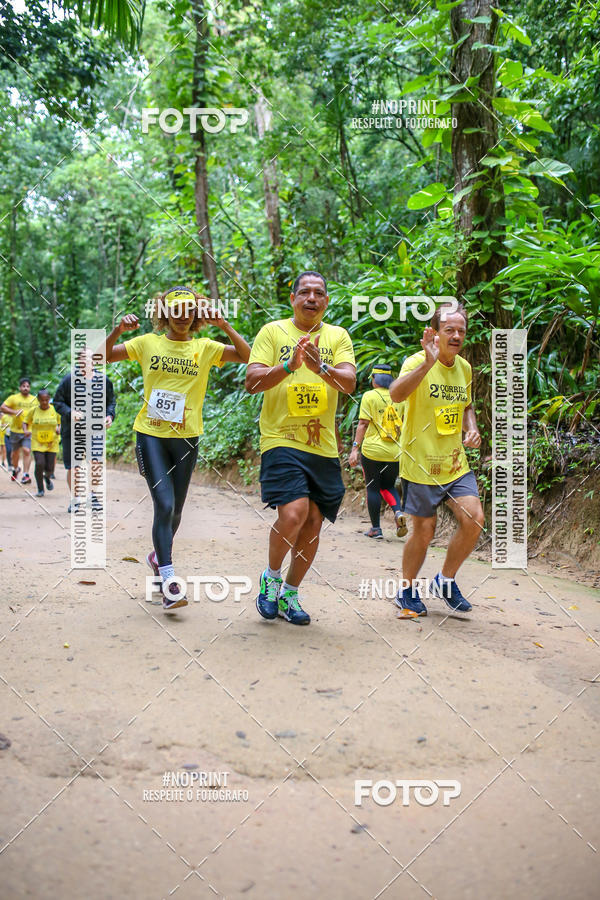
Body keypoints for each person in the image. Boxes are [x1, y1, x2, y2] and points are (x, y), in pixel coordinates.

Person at [103, 286, 251, 612]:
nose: (182, 316)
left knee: (177, 510)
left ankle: (157, 558)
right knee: (164, 504)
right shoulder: (147, 343)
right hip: (151, 435)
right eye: (176, 310)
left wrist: (225, 326)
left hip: (187, 437)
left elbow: (248, 357)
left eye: (189, 310)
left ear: (195, 314)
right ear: (165, 313)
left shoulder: (206, 347)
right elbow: (100, 356)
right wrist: (117, 330)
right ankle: (169, 581)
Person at [245, 270, 356, 626]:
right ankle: (271, 579)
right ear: (292, 298)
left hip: (321, 446)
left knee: (312, 524)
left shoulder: (337, 336)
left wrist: (319, 366)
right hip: (280, 439)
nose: (312, 298)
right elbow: (252, 382)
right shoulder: (272, 332)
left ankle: (290, 593)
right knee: (292, 514)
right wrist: (290, 365)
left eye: (319, 293)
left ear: (326, 301)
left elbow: (350, 383)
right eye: (304, 292)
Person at [389, 302, 484, 617]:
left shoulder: (464, 367)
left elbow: (467, 405)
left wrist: (471, 429)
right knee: (424, 532)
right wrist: (427, 364)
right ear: (435, 333)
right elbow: (396, 394)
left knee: (473, 519)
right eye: (450, 330)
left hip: (455, 463)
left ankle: (445, 580)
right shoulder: (416, 361)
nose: (456, 336)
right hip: (420, 463)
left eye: (461, 331)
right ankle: (406, 590)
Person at [348, 363, 407, 540]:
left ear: (375, 379)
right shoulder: (400, 397)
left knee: (373, 488)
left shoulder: (369, 396)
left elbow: (363, 424)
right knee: (388, 485)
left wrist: (354, 449)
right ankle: (398, 513)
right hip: (394, 452)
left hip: (373, 451)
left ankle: (376, 529)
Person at [53, 352, 117, 512]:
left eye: (88, 358)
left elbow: (111, 401)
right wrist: (70, 412)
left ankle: (94, 498)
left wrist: (109, 415)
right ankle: (76, 499)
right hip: (72, 431)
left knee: (96, 463)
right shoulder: (69, 380)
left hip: (95, 430)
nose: (85, 361)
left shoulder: (103, 380)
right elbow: (57, 401)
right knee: (74, 467)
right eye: (82, 358)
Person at [23, 390, 61, 497]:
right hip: (37, 442)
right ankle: (40, 489)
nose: (44, 402)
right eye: (42, 400)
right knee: (39, 463)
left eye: (46, 400)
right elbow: (25, 422)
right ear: (38, 400)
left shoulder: (55, 410)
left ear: (49, 399)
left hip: (52, 442)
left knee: (50, 467)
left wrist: (59, 429)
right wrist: (25, 430)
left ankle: (47, 477)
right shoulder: (33, 411)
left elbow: (59, 423)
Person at [0, 378, 38, 484]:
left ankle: (26, 475)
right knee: (14, 454)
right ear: (20, 387)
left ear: (29, 388)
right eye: (23, 386)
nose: (26, 388)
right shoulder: (14, 398)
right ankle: (16, 469)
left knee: (27, 451)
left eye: (27, 386)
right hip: (15, 430)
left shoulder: (34, 400)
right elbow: (2, 407)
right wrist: (14, 411)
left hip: (28, 431)